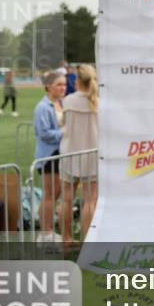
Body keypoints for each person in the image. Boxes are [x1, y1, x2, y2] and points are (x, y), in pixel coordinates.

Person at [61, 64, 99, 240]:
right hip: (91, 155)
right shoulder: (99, 102)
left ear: (78, 80)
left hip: (69, 153)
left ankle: (66, 239)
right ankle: (87, 241)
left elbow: (63, 124)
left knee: (66, 199)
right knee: (90, 200)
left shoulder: (68, 100)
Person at [34, 70, 69, 242]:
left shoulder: (61, 103)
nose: (63, 87)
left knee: (56, 194)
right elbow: (44, 133)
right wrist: (66, 132)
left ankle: (49, 230)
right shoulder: (42, 107)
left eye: (64, 84)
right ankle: (45, 233)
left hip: (61, 154)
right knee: (50, 194)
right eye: (59, 84)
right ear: (48, 87)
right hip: (49, 156)